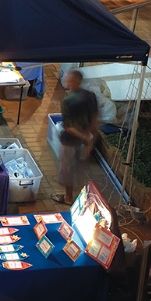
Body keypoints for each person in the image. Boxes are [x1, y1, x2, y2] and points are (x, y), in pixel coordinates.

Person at [50, 69, 97, 206]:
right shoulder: (90, 95)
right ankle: (83, 197)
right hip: (85, 140)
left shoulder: (68, 101)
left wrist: (85, 138)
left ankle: (69, 197)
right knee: (81, 170)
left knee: (67, 170)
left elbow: (69, 127)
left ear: (72, 81)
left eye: (68, 78)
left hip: (70, 141)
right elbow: (94, 118)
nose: (65, 79)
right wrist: (89, 139)